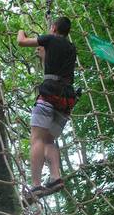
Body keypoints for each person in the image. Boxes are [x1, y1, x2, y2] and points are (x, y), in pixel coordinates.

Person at [17, 17, 77, 203]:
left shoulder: (50, 39)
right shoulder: (71, 48)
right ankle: (55, 176)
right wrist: (45, 56)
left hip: (49, 95)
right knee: (49, 139)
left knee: (37, 139)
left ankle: (35, 185)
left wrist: (20, 30)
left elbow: (21, 41)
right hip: (66, 98)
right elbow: (57, 70)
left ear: (53, 28)